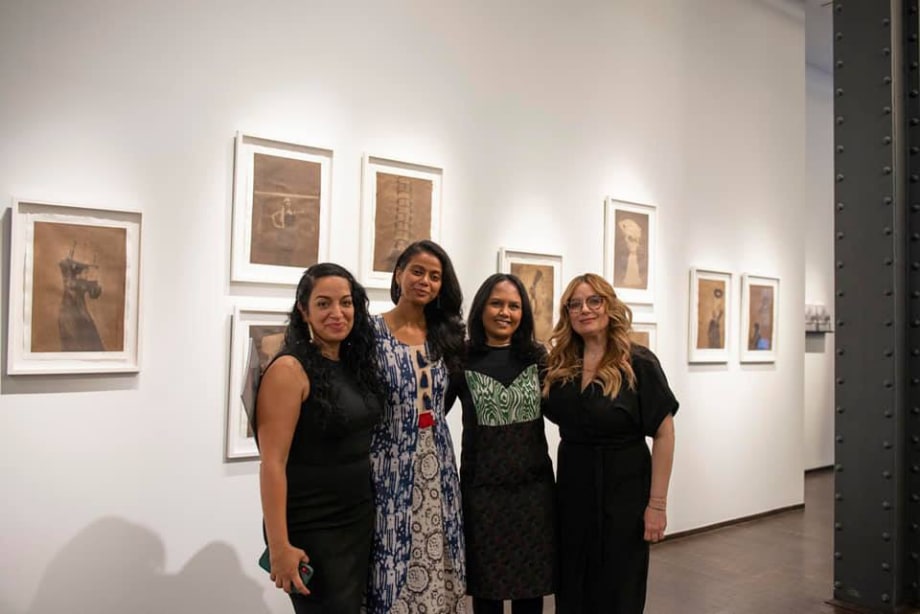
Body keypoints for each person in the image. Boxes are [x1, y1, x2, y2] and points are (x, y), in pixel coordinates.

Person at [542, 273, 678, 614]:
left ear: (609, 306)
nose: (584, 309)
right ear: (567, 313)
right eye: (575, 304)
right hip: (573, 496)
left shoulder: (639, 363)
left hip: (624, 498)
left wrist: (657, 506)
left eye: (593, 301)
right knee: (573, 587)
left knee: (619, 590)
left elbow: (664, 434)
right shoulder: (559, 365)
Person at [255, 263, 383, 613]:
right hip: (313, 526)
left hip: (357, 520)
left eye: (346, 302)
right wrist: (280, 547)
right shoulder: (288, 370)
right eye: (324, 303)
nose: (337, 313)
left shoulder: (353, 364)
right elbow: (272, 464)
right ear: (303, 310)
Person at [366, 239, 467, 614]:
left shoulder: (448, 337)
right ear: (399, 274)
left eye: (435, 276)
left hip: (437, 462)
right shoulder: (369, 334)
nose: (425, 281)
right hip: (386, 465)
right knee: (390, 555)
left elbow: (450, 396)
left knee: (437, 551)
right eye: (418, 271)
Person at [447, 273, 556, 614]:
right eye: (496, 303)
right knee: (487, 595)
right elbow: (434, 411)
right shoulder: (461, 359)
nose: (504, 312)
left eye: (514, 305)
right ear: (481, 308)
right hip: (483, 493)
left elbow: (564, 409)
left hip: (533, 493)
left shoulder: (537, 357)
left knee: (530, 592)